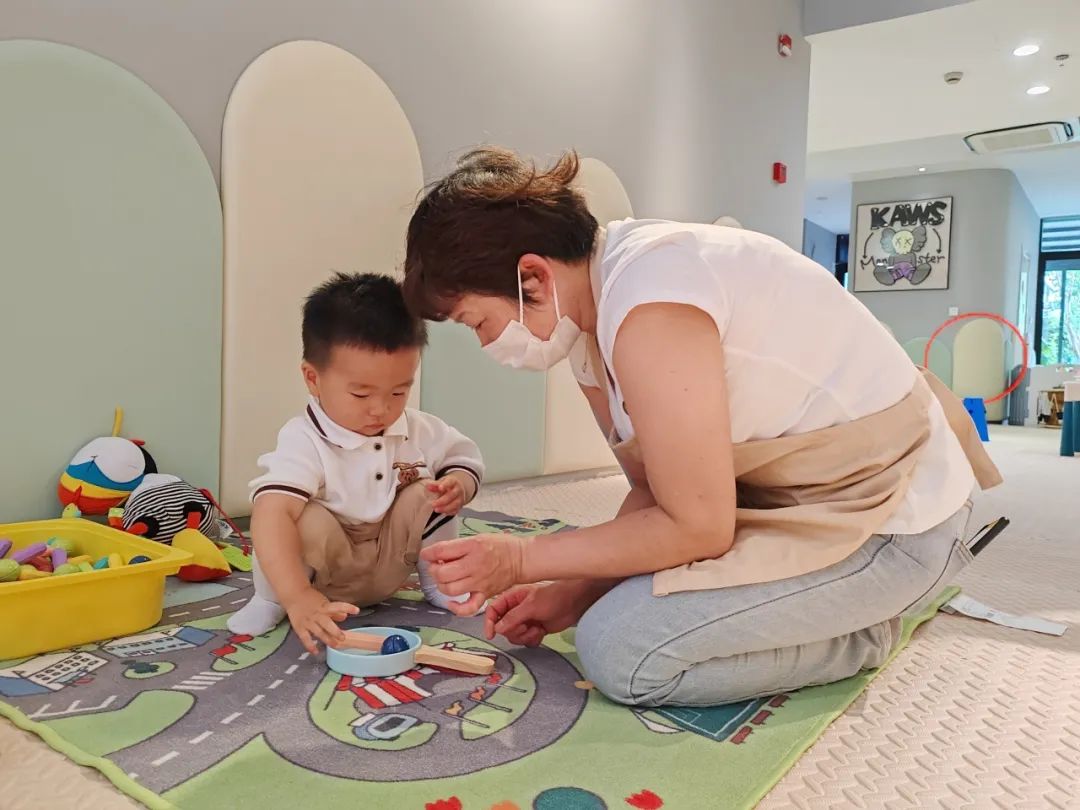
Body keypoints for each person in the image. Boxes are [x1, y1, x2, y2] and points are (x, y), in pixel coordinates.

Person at [400, 147, 1000, 707]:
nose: (488, 343)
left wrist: (522, 559)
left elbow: (698, 526)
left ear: (532, 277)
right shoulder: (591, 324)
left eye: (477, 322)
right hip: (794, 505)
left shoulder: (651, 300)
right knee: (612, 609)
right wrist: (575, 590)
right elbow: (656, 492)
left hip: (895, 523)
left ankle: (861, 635)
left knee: (623, 651)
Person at [228, 273, 485, 654]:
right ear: (313, 378)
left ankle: (438, 583)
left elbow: (464, 457)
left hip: (389, 562)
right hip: (326, 574)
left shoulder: (418, 429)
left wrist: (459, 484)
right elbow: (270, 513)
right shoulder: (303, 439)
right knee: (289, 514)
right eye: (361, 394)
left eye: (398, 392)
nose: (380, 409)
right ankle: (271, 599)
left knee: (431, 492)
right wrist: (297, 595)